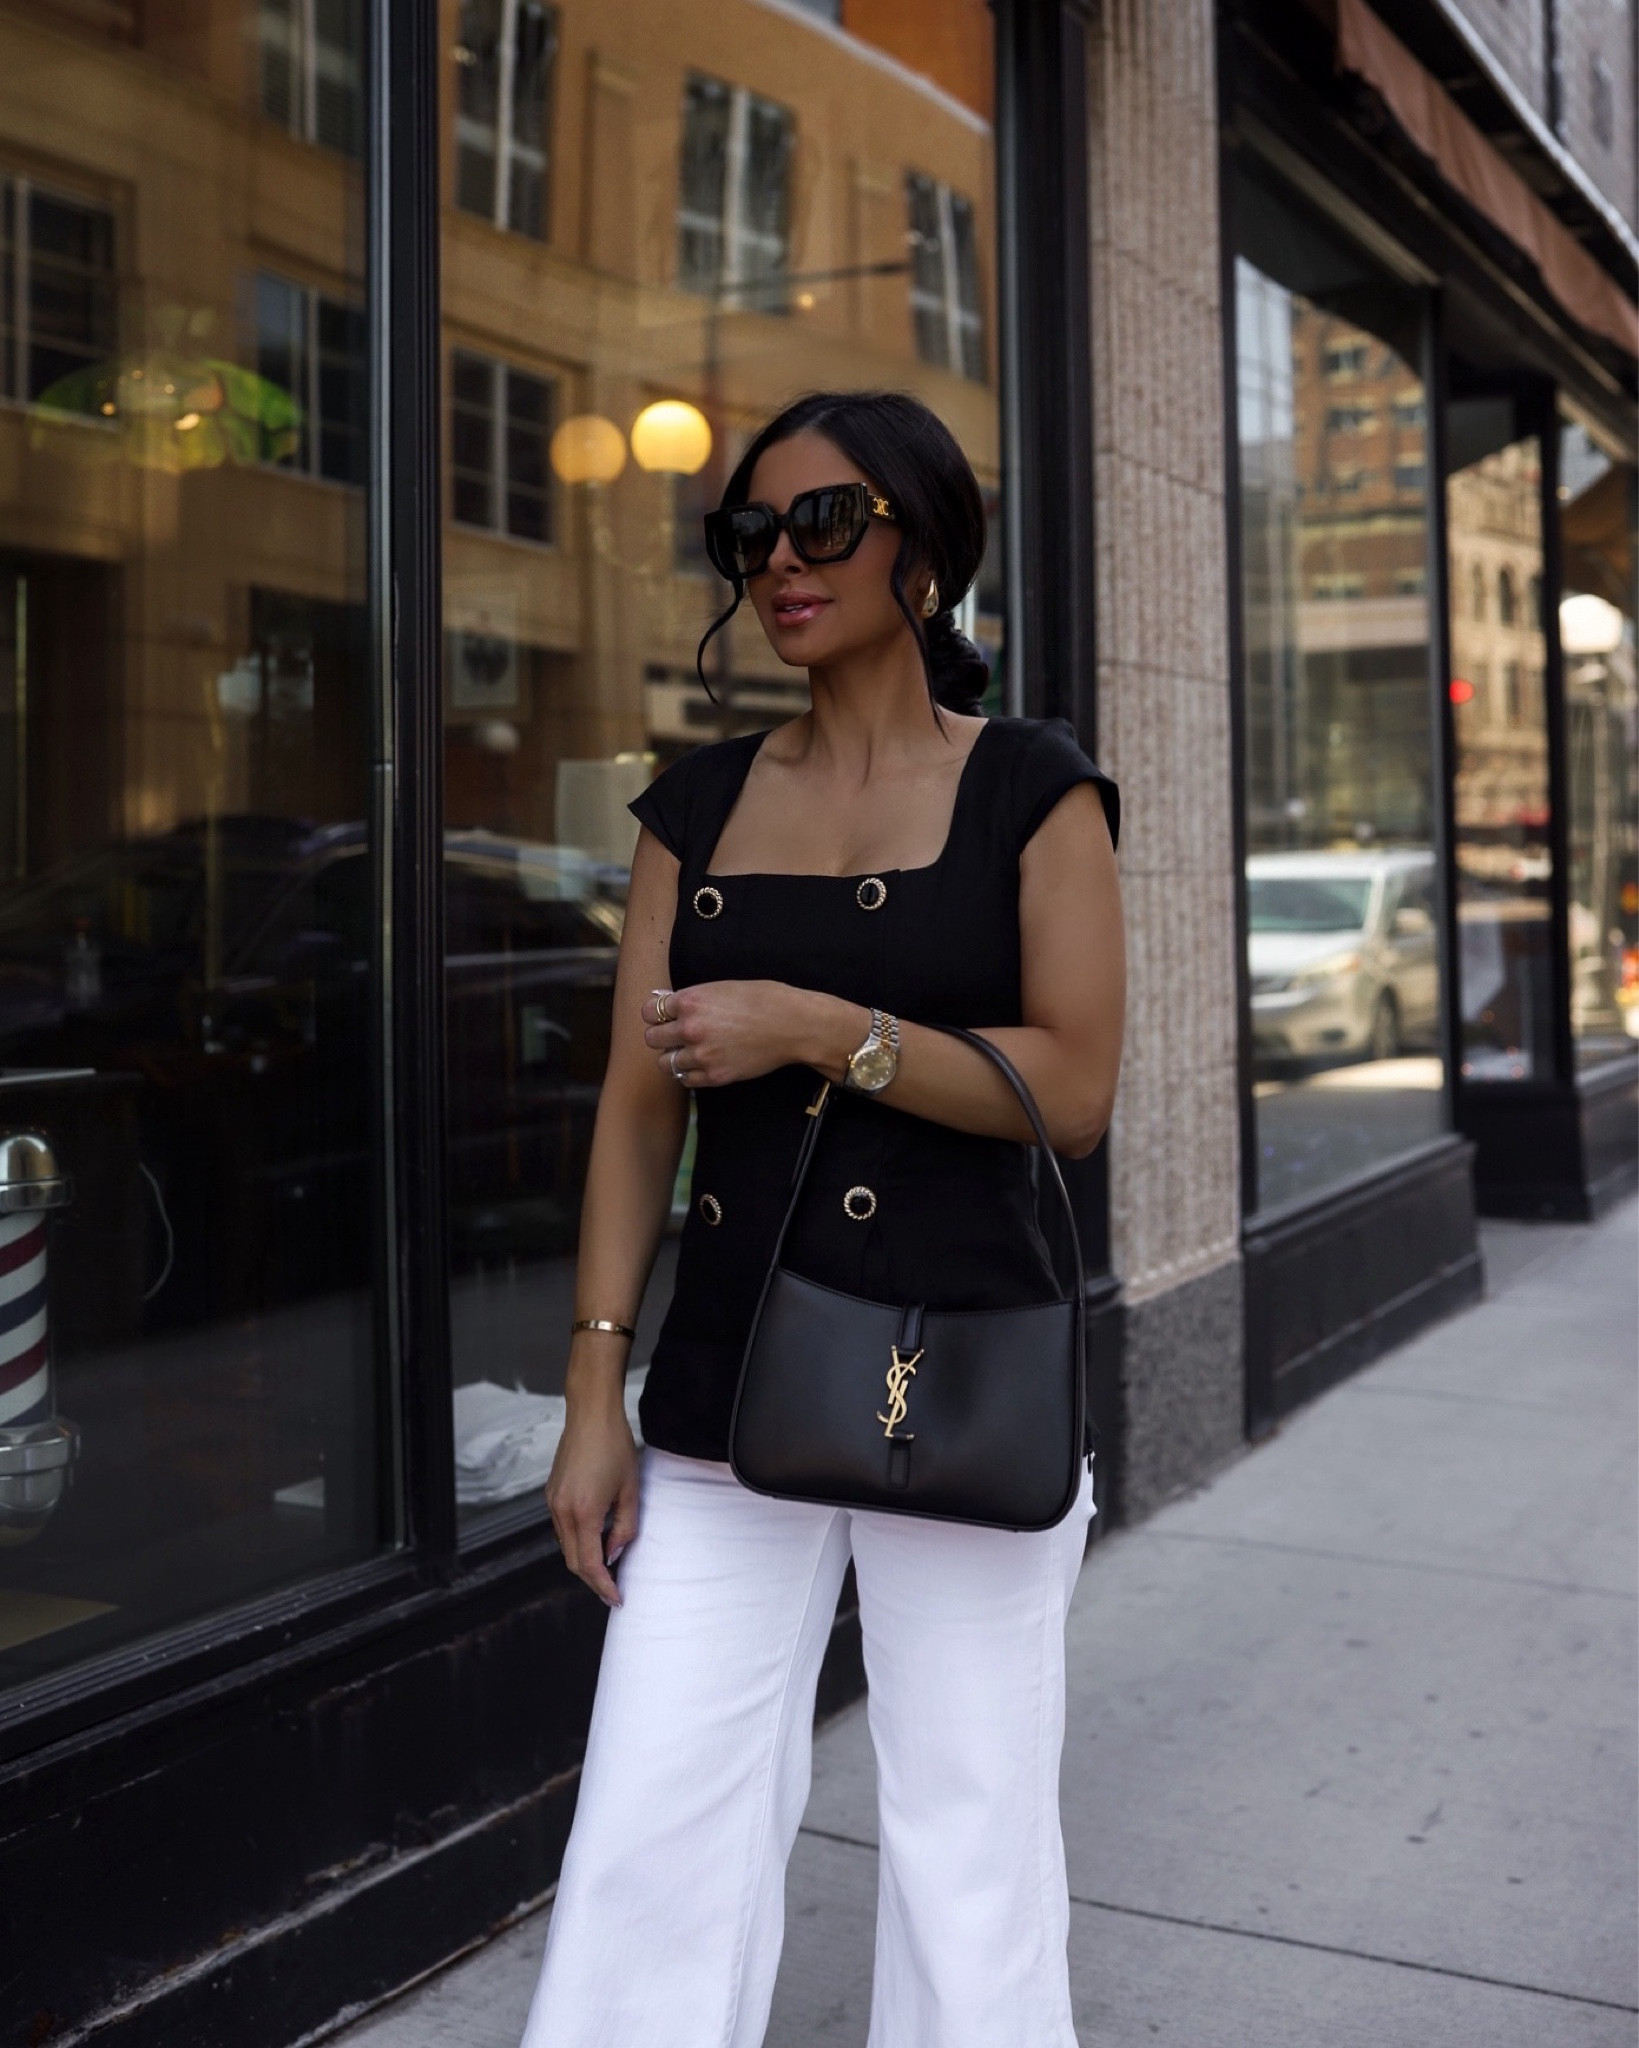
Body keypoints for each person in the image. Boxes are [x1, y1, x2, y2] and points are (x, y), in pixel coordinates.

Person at [524, 389, 1124, 2048]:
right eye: (753, 535)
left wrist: (812, 1028)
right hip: (723, 1387)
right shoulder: (693, 811)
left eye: (826, 522)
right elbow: (640, 1112)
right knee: (650, 1824)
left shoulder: (1034, 789)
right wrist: (594, 1392)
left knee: (971, 1831)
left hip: (969, 1358)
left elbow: (1072, 1086)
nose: (783, 561)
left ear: (919, 551)